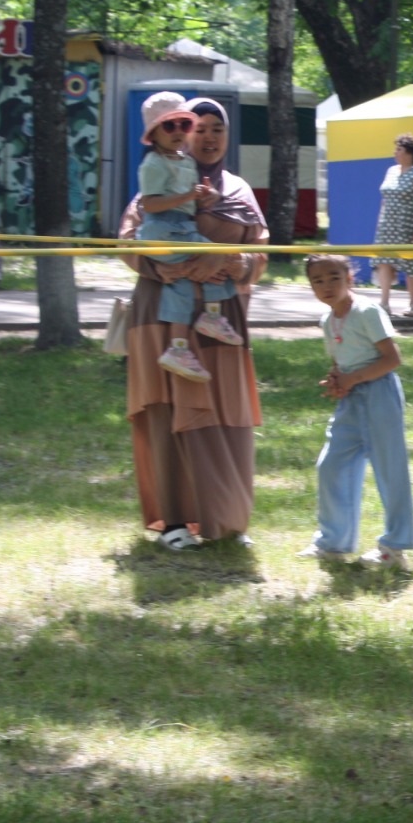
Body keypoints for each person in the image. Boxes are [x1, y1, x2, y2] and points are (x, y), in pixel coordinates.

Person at [117, 97, 267, 550]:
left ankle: (225, 518)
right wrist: (158, 267)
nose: (206, 136)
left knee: (225, 412)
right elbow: (127, 241)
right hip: (162, 317)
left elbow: (261, 252)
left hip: (221, 321)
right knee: (167, 412)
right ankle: (175, 521)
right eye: (198, 127)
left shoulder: (240, 191)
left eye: (217, 128)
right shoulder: (159, 179)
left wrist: (236, 263)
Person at [296, 253, 413, 570]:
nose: (326, 286)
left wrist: (353, 378)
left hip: (379, 394)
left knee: (390, 470)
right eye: (318, 281)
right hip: (351, 399)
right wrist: (337, 379)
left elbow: (392, 359)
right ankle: (333, 542)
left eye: (334, 277)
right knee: (331, 465)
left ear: (349, 278)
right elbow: (339, 360)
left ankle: (394, 548)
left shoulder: (366, 311)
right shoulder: (328, 320)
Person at [136, 91, 242, 383]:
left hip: (183, 231)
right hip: (163, 240)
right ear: (154, 133)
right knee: (210, 257)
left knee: (189, 279)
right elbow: (145, 212)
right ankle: (202, 324)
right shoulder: (155, 166)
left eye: (185, 125)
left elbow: (259, 253)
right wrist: (158, 268)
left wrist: (209, 197)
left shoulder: (188, 165)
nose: (179, 132)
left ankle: (185, 341)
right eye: (169, 126)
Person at [369, 133, 413, 320]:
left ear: (409, 153)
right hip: (387, 224)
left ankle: (412, 305)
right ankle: (384, 303)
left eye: (399, 149)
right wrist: (379, 221)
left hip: (407, 223)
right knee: (384, 261)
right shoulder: (391, 171)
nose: (395, 153)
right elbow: (385, 198)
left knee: (410, 264)